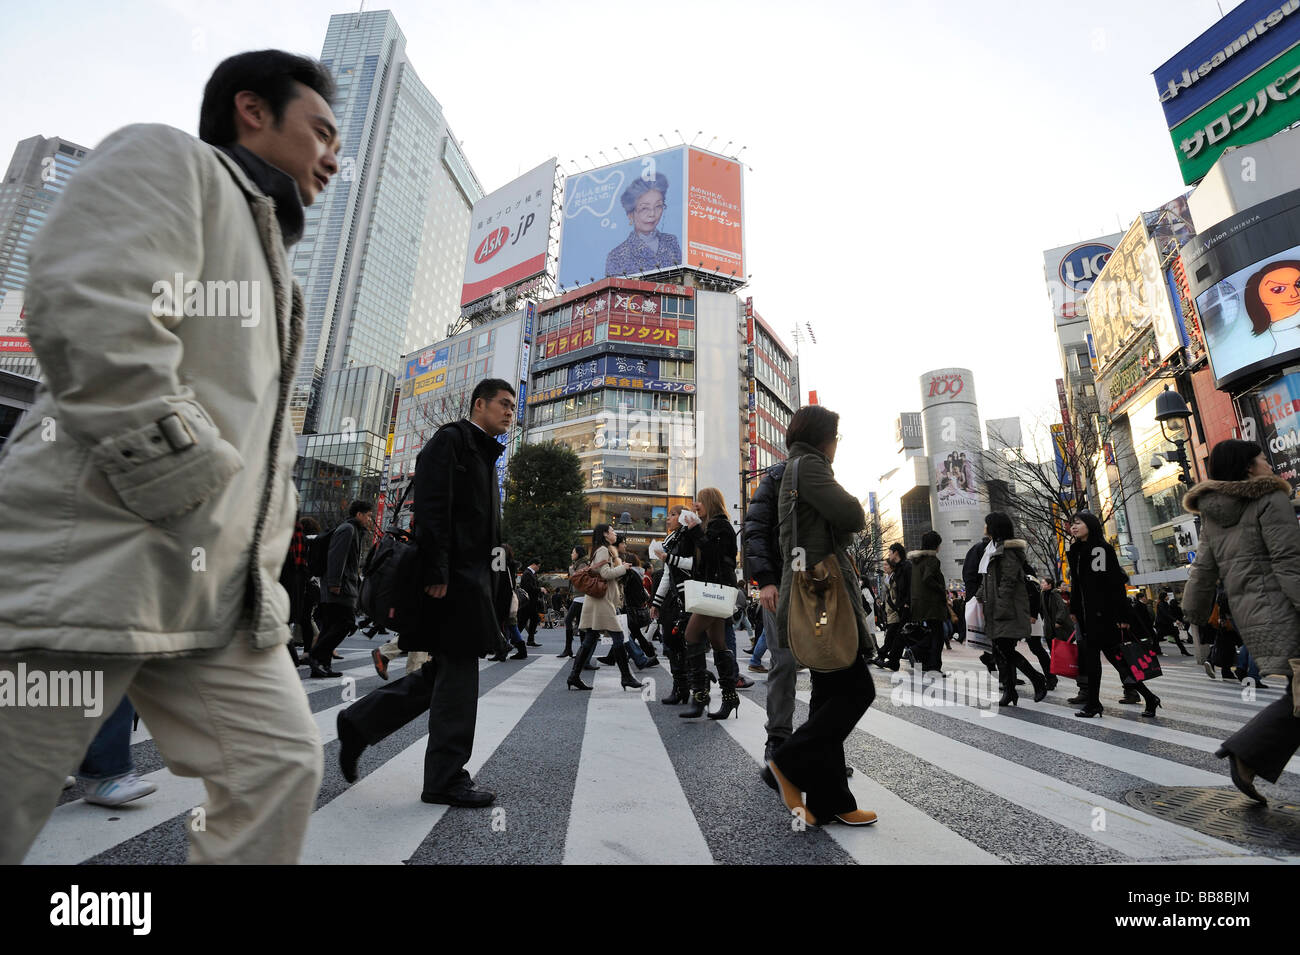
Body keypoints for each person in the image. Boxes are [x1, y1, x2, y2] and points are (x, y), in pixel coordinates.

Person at [0, 49, 339, 865]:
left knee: (279, 765)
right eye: (321, 130)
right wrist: (188, 481)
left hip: (214, 596)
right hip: (90, 555)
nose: (334, 157)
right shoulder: (172, 159)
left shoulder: (281, 279)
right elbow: (90, 303)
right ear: (251, 109)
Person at [335, 379, 516, 809]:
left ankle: (358, 723)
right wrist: (437, 569)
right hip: (450, 581)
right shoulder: (451, 442)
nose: (511, 412)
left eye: (513, 406)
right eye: (503, 405)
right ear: (479, 405)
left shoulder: (485, 456)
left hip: (470, 583)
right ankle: (445, 780)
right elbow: (432, 507)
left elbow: (485, 533)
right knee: (458, 677)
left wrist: (493, 587)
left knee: (442, 677)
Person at [766, 404, 877, 827]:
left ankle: (832, 800)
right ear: (823, 438)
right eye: (836, 437)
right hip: (821, 595)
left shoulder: (793, 468)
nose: (837, 446)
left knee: (830, 694)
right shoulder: (811, 466)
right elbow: (852, 515)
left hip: (808, 589)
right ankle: (785, 763)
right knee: (856, 689)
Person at [1182, 439, 1300, 804]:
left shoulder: (1214, 513)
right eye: (1263, 458)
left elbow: (1203, 569)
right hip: (1288, 609)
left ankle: (1247, 755)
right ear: (1250, 467)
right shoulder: (1270, 498)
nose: (1269, 464)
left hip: (1254, 616)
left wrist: (1193, 615)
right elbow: (1289, 561)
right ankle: (1246, 753)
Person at [1066, 511, 1160, 719]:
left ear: (1090, 525)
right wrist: (1074, 609)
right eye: (1072, 524)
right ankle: (1148, 697)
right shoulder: (1076, 551)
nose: (1074, 527)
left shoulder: (1100, 549)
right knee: (1113, 663)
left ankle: (1094, 704)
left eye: (1078, 523)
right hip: (1086, 615)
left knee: (1103, 662)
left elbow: (1112, 585)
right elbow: (1077, 586)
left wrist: (1122, 617)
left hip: (1103, 615)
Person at [669, 489, 741, 718]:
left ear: (709, 501)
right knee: (718, 642)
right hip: (711, 590)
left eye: (699, 500)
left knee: (691, 635)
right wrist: (688, 527)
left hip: (716, 589)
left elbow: (715, 556)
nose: (696, 504)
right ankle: (730, 698)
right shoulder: (707, 526)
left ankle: (700, 695)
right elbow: (692, 553)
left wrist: (696, 530)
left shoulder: (722, 526)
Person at [742, 459, 795, 760]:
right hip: (782, 582)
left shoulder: (825, 474)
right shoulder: (776, 476)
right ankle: (777, 738)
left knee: (828, 666)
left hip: (820, 584)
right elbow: (756, 530)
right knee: (784, 661)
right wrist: (765, 581)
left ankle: (823, 746)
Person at [976, 513, 1047, 707]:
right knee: (1000, 651)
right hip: (996, 608)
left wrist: (999, 606)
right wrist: (979, 595)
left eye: (987, 524)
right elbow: (988, 578)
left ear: (994, 527)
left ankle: (1037, 678)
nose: (984, 527)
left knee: (1005, 650)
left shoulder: (1007, 552)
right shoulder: (992, 549)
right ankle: (1009, 690)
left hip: (1006, 610)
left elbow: (1007, 582)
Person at [567, 524, 641, 691]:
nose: (615, 533)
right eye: (612, 531)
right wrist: (623, 568)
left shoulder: (601, 549)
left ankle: (574, 676)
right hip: (602, 602)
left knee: (590, 639)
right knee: (618, 638)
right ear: (606, 534)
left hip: (599, 601)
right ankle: (626, 677)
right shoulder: (602, 550)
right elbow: (605, 574)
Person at [307, 500, 375, 677]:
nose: (370, 520)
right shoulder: (348, 529)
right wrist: (335, 583)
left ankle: (322, 665)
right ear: (358, 514)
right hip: (339, 587)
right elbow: (336, 557)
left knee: (330, 626)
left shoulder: (354, 531)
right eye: (368, 516)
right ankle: (315, 656)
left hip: (342, 586)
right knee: (345, 624)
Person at [651, 504, 697, 704]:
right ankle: (679, 688)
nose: (668, 518)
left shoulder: (689, 537)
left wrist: (669, 558)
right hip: (673, 597)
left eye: (673, 514)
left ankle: (689, 687)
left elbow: (695, 564)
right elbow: (667, 575)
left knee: (686, 644)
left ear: (683, 516)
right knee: (670, 645)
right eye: (668, 514)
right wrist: (657, 602)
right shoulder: (671, 539)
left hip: (688, 596)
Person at [604, 173, 682, 277]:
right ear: (630, 214)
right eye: (644, 208)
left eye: (658, 206)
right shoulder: (617, 256)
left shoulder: (671, 242)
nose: (652, 214)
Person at [908, 531, 947, 673]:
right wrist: (941, 588)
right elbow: (928, 578)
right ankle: (933, 666)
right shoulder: (932, 560)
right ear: (935, 545)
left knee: (932, 633)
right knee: (938, 636)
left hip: (920, 603)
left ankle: (925, 661)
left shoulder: (917, 561)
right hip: (932, 604)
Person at [872, 543, 912, 670]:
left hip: (906, 607)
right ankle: (893, 661)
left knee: (901, 634)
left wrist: (907, 603)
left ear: (896, 553)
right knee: (900, 635)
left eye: (890, 552)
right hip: (900, 607)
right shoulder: (899, 568)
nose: (889, 555)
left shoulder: (907, 566)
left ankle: (893, 661)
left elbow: (911, 586)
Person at [558, 547, 588, 659]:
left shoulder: (582, 564)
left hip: (581, 597)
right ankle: (579, 651)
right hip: (579, 597)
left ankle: (569, 649)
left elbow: (577, 578)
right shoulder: (578, 564)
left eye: (573, 552)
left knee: (569, 620)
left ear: (578, 554)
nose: (571, 554)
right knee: (581, 624)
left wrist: (571, 570)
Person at [1155, 590, 1192, 656]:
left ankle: (1184, 651)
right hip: (1162, 625)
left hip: (1168, 624)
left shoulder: (1165, 603)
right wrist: (1175, 620)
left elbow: (1169, 614)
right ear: (1164, 597)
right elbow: (1165, 614)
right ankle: (1155, 651)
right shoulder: (1161, 604)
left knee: (1177, 638)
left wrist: (1175, 620)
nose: (1168, 597)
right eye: (1166, 596)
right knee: (1157, 639)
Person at [520, 557, 544, 647]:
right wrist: (540, 589)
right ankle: (516, 639)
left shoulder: (531, 574)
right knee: (523, 622)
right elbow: (528, 588)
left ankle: (529, 640)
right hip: (528, 602)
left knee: (531, 620)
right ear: (534, 564)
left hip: (531, 603)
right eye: (538, 566)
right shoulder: (527, 574)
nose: (538, 568)